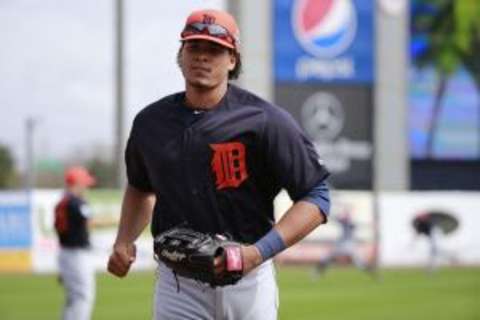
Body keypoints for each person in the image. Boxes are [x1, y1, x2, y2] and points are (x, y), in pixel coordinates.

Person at [107, 8, 330, 320]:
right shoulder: (150, 123)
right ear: (181, 54)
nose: (202, 57)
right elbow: (140, 187)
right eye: (194, 47)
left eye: (214, 50)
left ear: (232, 60)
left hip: (248, 282)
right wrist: (123, 240)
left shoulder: (265, 121)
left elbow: (316, 196)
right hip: (178, 285)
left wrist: (257, 253)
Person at [54, 166, 96, 320]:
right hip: (76, 255)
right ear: (77, 183)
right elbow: (90, 222)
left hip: (66, 253)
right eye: (84, 183)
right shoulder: (76, 202)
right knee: (83, 297)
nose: (86, 187)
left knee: (73, 298)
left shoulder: (62, 202)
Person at [314, 207, 373, 277]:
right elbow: (337, 219)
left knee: (358, 261)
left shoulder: (350, 223)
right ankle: (318, 272)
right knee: (328, 257)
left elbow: (345, 222)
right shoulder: (345, 222)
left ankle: (372, 273)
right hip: (342, 244)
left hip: (348, 244)